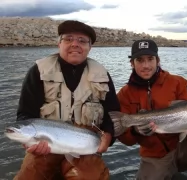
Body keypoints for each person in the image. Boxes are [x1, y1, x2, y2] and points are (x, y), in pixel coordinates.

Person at [14, 20, 120, 180]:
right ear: (59, 43)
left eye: (82, 41)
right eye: (68, 39)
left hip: (84, 150)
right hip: (45, 149)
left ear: (89, 47)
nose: (75, 44)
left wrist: (109, 135)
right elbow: (25, 115)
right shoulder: (38, 72)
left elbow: (113, 114)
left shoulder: (102, 75)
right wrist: (30, 142)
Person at [116, 39, 187, 180]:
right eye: (140, 60)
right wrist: (135, 130)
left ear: (158, 60)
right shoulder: (125, 94)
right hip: (154, 156)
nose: (146, 65)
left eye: (150, 59)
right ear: (132, 63)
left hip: (183, 147)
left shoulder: (179, 83)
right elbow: (126, 140)